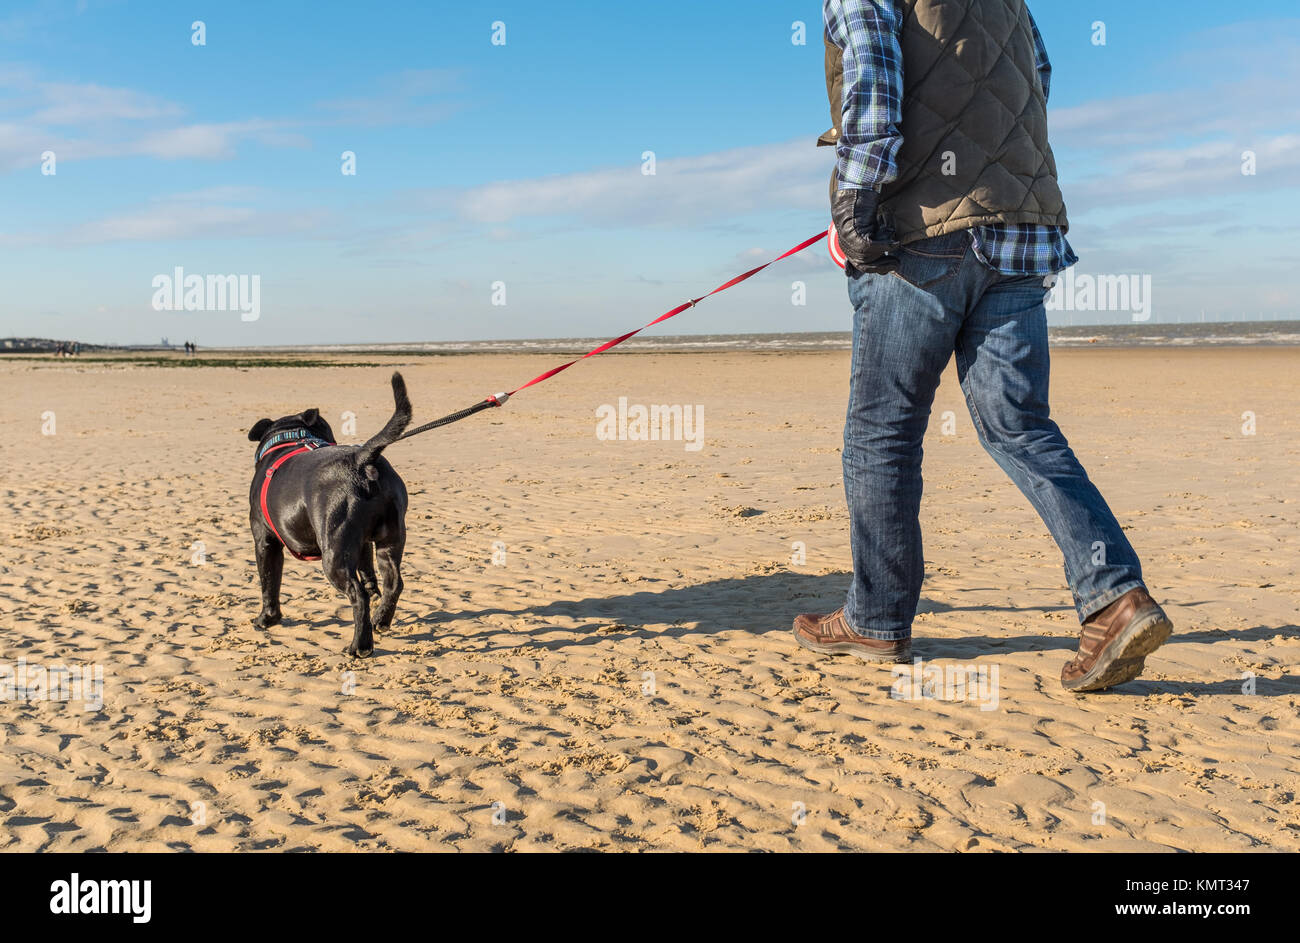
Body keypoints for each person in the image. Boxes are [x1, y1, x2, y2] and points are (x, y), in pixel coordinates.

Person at [793, 0, 1172, 692]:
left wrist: (855, 202)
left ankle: (877, 617)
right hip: (1022, 228)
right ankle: (1116, 595)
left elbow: (874, 76)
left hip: (921, 233)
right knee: (1020, 424)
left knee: (883, 431)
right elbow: (1039, 72)